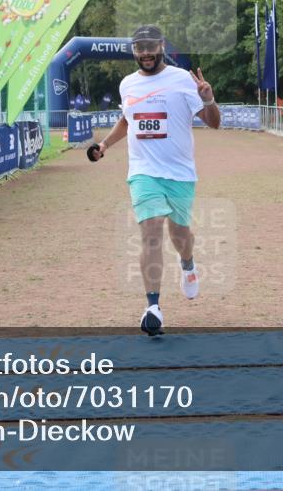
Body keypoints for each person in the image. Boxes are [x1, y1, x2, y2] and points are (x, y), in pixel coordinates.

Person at [89, 25, 220, 335]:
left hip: (180, 174)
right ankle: (153, 308)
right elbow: (127, 119)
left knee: (179, 234)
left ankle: (188, 265)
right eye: (139, 47)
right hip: (143, 171)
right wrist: (105, 145)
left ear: (162, 46)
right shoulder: (127, 84)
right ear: (134, 51)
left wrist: (209, 99)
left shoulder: (182, 80)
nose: (145, 52)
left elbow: (214, 123)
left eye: (150, 46)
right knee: (150, 232)